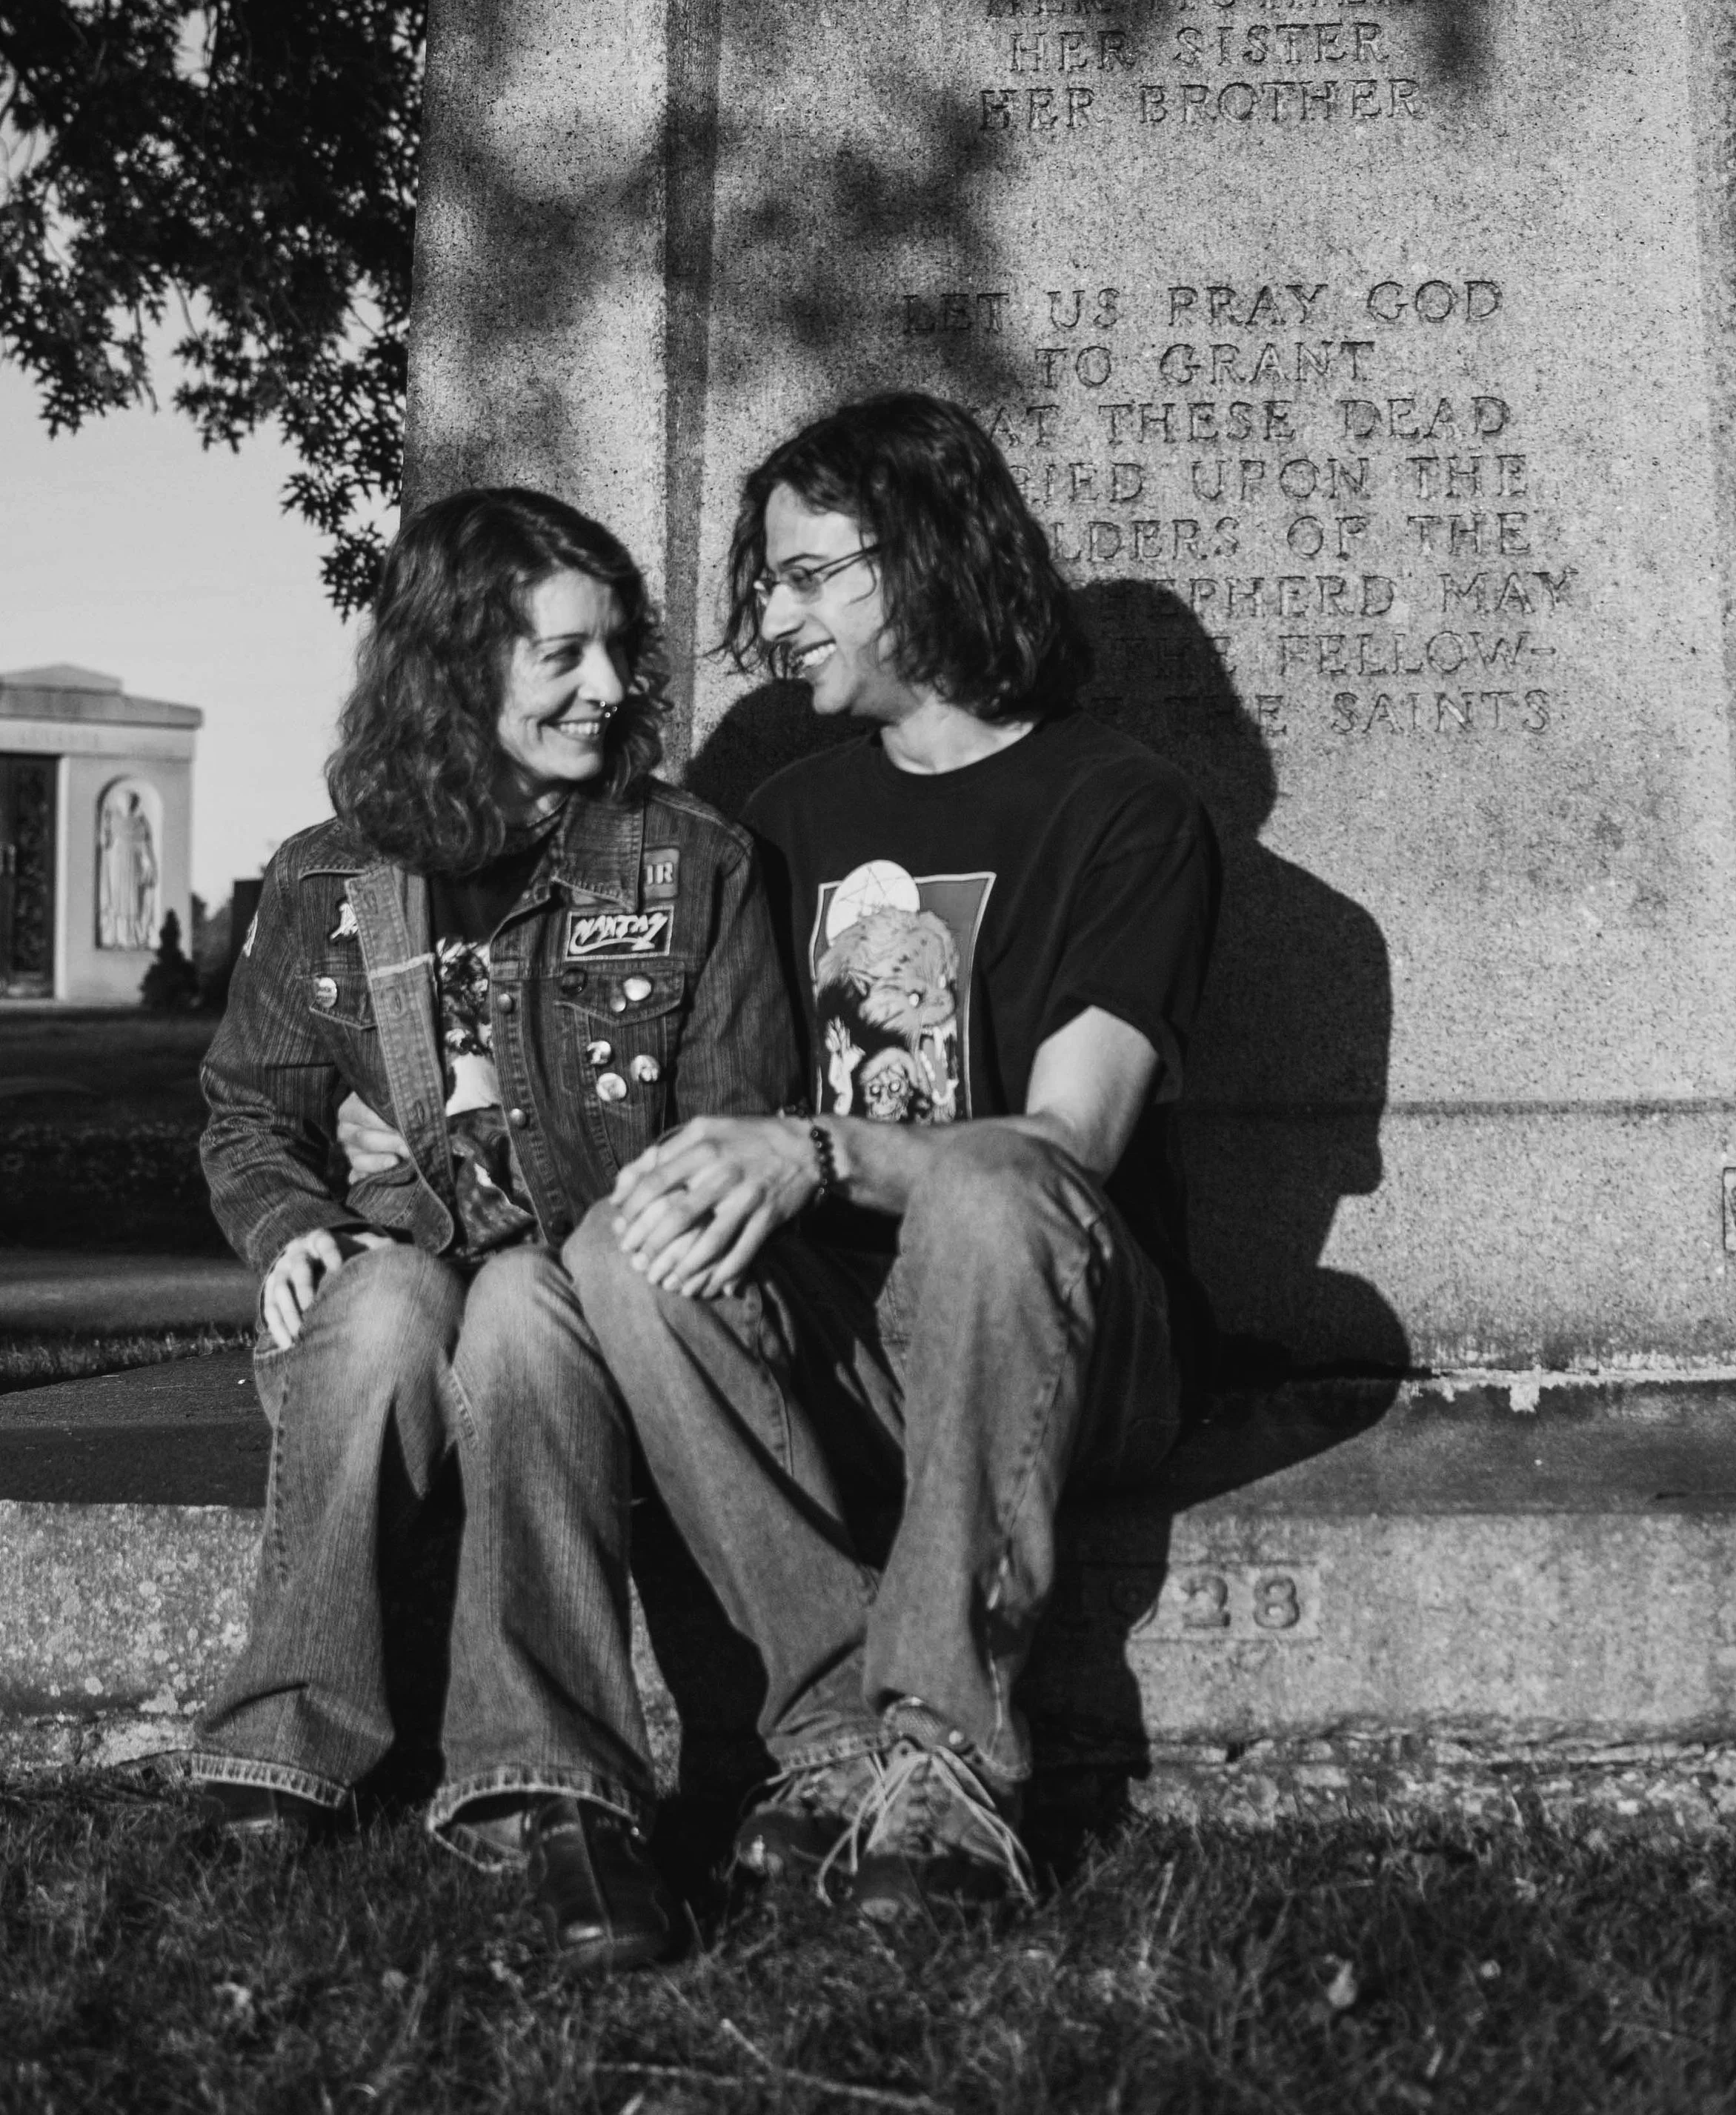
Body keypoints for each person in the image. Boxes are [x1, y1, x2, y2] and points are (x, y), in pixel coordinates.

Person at [561, 392, 1221, 1919]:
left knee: (990, 1183)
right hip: (853, 1355)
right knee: (625, 1246)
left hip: (1057, 1333)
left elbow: (1069, 1143)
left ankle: (950, 1765)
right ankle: (832, 1739)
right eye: (767, 582)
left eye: (807, 575)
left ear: (920, 558)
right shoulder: (780, 816)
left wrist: (812, 1152)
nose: (773, 619)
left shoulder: (1122, 810)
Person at [191, 486, 797, 1973]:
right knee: (390, 1304)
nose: (608, 689)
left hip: (584, 1310)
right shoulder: (327, 884)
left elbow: (732, 1129)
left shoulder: (690, 863)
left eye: (614, 654)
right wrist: (289, 1233)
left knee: (524, 1300)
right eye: (562, 657)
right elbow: (246, 1110)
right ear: (459, 667)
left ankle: (550, 1788)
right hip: (394, 1297)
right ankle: (278, 1756)